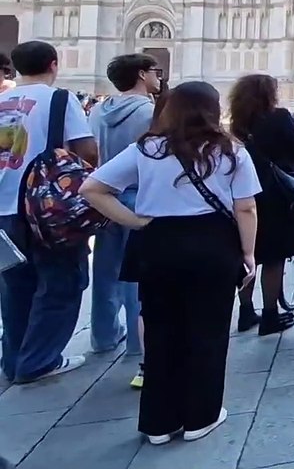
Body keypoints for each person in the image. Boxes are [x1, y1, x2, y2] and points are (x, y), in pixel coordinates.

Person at [80, 81, 260, 445]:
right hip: (211, 244)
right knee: (208, 331)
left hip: (158, 243)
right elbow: (246, 208)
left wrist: (135, 220)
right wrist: (248, 253)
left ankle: (158, 423)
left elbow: (92, 189)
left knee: (160, 331)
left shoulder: (146, 149)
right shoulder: (231, 151)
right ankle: (200, 417)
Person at [0, 40, 98, 384]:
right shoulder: (60, 99)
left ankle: (14, 360)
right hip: (44, 209)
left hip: (3, 211)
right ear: (54, 64)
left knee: (15, 287)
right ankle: (39, 361)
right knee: (62, 283)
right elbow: (86, 150)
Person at [88, 53, 160, 386]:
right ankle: (135, 340)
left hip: (104, 196)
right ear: (142, 75)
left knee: (105, 270)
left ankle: (103, 336)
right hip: (138, 196)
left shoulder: (99, 110)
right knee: (137, 273)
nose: (159, 77)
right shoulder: (149, 112)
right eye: (155, 71)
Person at [228, 73, 294, 335]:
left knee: (248, 254)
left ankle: (246, 312)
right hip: (276, 194)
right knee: (274, 257)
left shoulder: (238, 123)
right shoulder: (279, 117)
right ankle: (270, 315)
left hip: (244, 193)